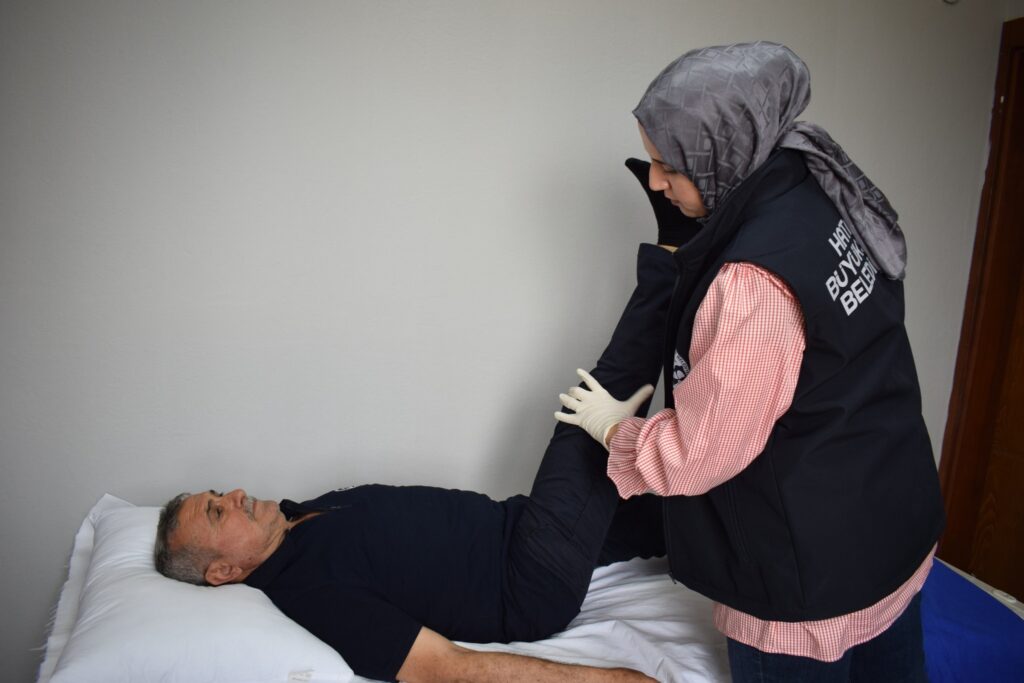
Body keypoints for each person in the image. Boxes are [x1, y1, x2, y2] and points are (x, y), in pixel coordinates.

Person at [556, 42, 945, 682]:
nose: (654, 182)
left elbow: (699, 456)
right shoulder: (817, 183)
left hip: (807, 576)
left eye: (668, 166)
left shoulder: (751, 280)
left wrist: (615, 431)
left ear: (722, 156)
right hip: (891, 521)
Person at [153, 239, 680, 683]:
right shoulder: (309, 593)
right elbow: (444, 667)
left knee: (683, 512)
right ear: (223, 572)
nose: (235, 495)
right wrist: (613, 680)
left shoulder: (298, 518)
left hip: (518, 525)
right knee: (590, 416)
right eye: (218, 511)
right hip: (529, 579)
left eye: (219, 494)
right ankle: (673, 250)